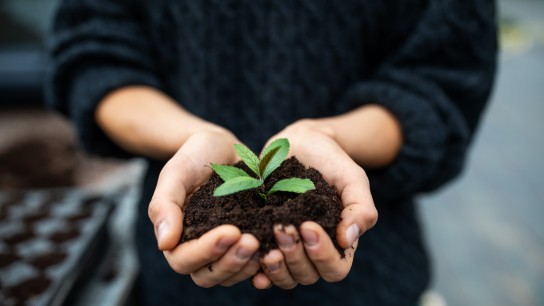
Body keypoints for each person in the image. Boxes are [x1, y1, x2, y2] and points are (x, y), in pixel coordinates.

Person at [46, 1, 497, 305]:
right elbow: (93, 53)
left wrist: (333, 136)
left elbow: (443, 75)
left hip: (371, 278)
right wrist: (189, 137)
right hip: (177, 287)